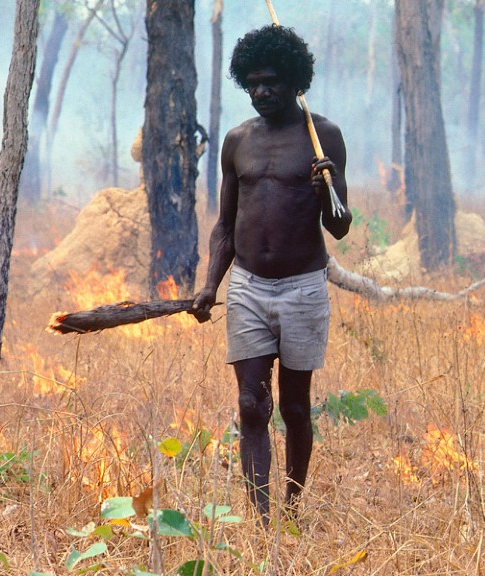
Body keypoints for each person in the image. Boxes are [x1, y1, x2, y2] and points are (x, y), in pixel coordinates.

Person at [189, 25, 351, 524]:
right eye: (254, 82)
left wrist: (325, 186)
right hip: (249, 288)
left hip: (303, 287)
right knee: (250, 404)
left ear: (296, 81)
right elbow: (224, 227)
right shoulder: (238, 141)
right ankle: (263, 522)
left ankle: (292, 505)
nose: (262, 92)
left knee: (295, 409)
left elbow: (340, 227)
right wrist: (209, 285)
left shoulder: (322, 137)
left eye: (273, 82)